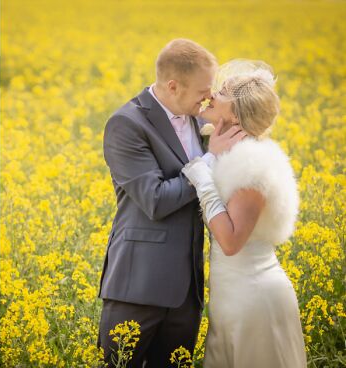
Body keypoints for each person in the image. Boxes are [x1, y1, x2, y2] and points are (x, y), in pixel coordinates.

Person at [98, 39, 244, 367]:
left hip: (186, 291)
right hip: (138, 287)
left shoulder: (197, 118)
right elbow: (155, 200)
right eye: (202, 91)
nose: (208, 98)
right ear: (173, 85)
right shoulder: (127, 124)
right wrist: (210, 160)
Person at [182, 59, 306, 367]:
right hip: (231, 299)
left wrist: (202, 175)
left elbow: (231, 241)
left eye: (222, 92)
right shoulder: (229, 153)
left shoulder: (253, 163)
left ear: (236, 113)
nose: (211, 94)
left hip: (255, 301)